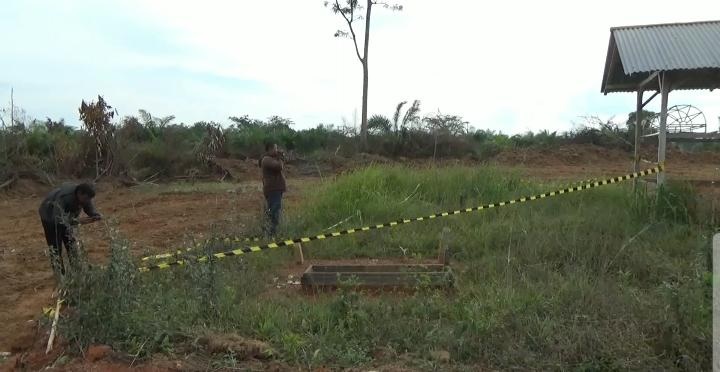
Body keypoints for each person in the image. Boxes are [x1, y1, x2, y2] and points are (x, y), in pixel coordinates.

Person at [38, 182, 102, 277]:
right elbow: (58, 219)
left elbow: (88, 206)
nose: (86, 201)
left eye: (89, 199)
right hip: (50, 216)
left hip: (65, 217)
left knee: (71, 244)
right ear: (80, 193)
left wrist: (94, 214)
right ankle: (60, 275)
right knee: (55, 248)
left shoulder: (84, 196)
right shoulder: (64, 198)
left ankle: (77, 270)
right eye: (86, 199)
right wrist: (79, 221)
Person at [260, 143, 286, 236]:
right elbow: (279, 167)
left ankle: (270, 231)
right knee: (274, 211)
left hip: (275, 189)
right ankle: (271, 233)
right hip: (273, 189)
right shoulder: (266, 159)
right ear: (270, 149)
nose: (277, 150)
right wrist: (281, 157)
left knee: (274, 210)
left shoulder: (271, 159)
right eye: (275, 148)